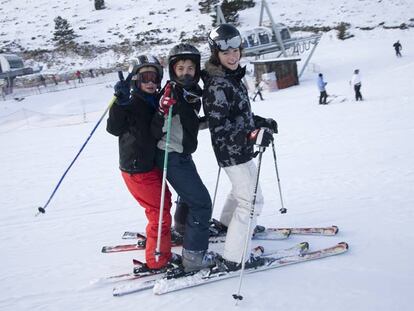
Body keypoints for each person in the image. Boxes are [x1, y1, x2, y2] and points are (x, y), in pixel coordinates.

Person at [202, 24, 278, 270]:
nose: (233, 56)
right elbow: (220, 128)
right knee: (252, 202)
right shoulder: (217, 84)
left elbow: (238, 117)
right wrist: (251, 135)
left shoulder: (231, 77)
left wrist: (260, 123)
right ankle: (235, 258)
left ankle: (226, 227)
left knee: (242, 192)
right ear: (216, 54)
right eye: (226, 53)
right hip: (231, 152)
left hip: (240, 149)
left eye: (236, 50)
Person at [106, 55, 174, 271]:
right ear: (135, 79)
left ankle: (159, 239)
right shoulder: (131, 102)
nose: (151, 82)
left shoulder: (153, 100)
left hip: (148, 164)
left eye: (154, 76)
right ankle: (157, 259)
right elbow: (114, 128)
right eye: (145, 77)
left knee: (164, 201)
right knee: (160, 213)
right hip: (137, 169)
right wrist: (119, 102)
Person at [151, 44, 214, 272]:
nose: (186, 72)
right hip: (170, 154)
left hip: (182, 153)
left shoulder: (192, 92)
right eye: (180, 68)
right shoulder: (171, 92)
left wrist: (214, 121)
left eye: (190, 67)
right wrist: (162, 110)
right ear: (172, 70)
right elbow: (156, 128)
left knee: (189, 196)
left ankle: (183, 229)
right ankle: (194, 258)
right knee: (201, 203)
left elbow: (191, 124)